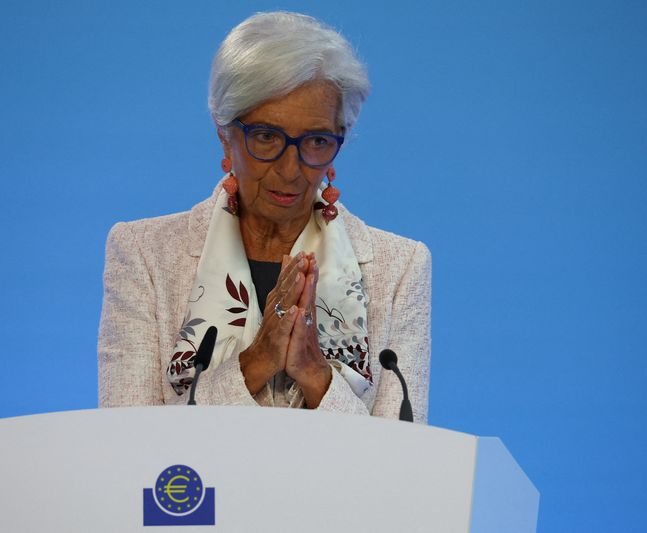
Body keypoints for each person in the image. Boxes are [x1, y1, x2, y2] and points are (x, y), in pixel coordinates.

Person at [97, 12, 431, 421]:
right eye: (267, 136)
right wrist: (256, 360)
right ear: (225, 132)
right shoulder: (143, 255)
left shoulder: (400, 268)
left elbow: (403, 459)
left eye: (317, 141)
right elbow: (128, 442)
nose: (290, 169)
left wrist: (315, 374)